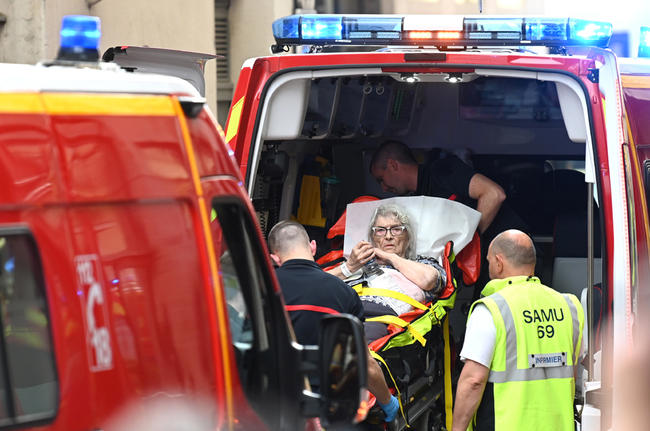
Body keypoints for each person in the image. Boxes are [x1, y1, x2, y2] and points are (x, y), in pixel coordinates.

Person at [267, 220, 399, 422]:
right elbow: (366, 365)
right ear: (313, 246)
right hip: (320, 412)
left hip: (268, 404)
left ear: (275, 258)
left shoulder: (261, 288)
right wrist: (388, 403)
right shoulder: (344, 294)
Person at [452, 230, 584, 431]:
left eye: (488, 262)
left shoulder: (492, 308)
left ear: (499, 262)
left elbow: (473, 381)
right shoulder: (569, 306)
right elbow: (572, 372)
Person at [369, 140, 528, 247]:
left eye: (381, 179)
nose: (383, 188)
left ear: (392, 164)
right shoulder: (419, 198)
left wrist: (469, 244)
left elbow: (494, 194)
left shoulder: (441, 171)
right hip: (490, 255)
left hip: (512, 248)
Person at [329, 204, 446, 341]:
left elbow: (429, 279)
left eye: (396, 230)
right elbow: (313, 286)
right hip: (340, 312)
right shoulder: (354, 264)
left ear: (408, 237)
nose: (388, 236)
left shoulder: (422, 263)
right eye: (380, 230)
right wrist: (348, 268)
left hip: (378, 320)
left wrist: (390, 257)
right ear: (372, 238)